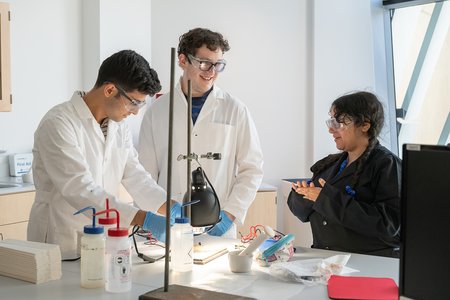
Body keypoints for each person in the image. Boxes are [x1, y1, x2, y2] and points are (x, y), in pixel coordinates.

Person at [27, 50, 180, 259]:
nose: (136, 112)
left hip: (101, 239)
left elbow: (134, 173)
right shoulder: (59, 123)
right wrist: (141, 218)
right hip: (60, 240)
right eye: (134, 102)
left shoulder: (118, 126)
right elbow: (79, 187)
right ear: (109, 90)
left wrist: (170, 207)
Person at [138, 28, 264, 238]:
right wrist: (158, 213)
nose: (211, 71)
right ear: (182, 60)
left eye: (218, 65)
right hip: (169, 226)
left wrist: (230, 214)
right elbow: (144, 174)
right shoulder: (157, 111)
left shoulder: (235, 109)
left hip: (219, 225)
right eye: (204, 63)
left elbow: (252, 169)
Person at [287, 91, 401, 258]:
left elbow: (388, 225)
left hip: (368, 263)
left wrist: (324, 199)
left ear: (364, 125)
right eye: (331, 121)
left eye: (339, 122)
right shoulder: (329, 164)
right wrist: (302, 196)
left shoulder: (386, 164)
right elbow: (303, 213)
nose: (331, 129)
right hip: (326, 260)